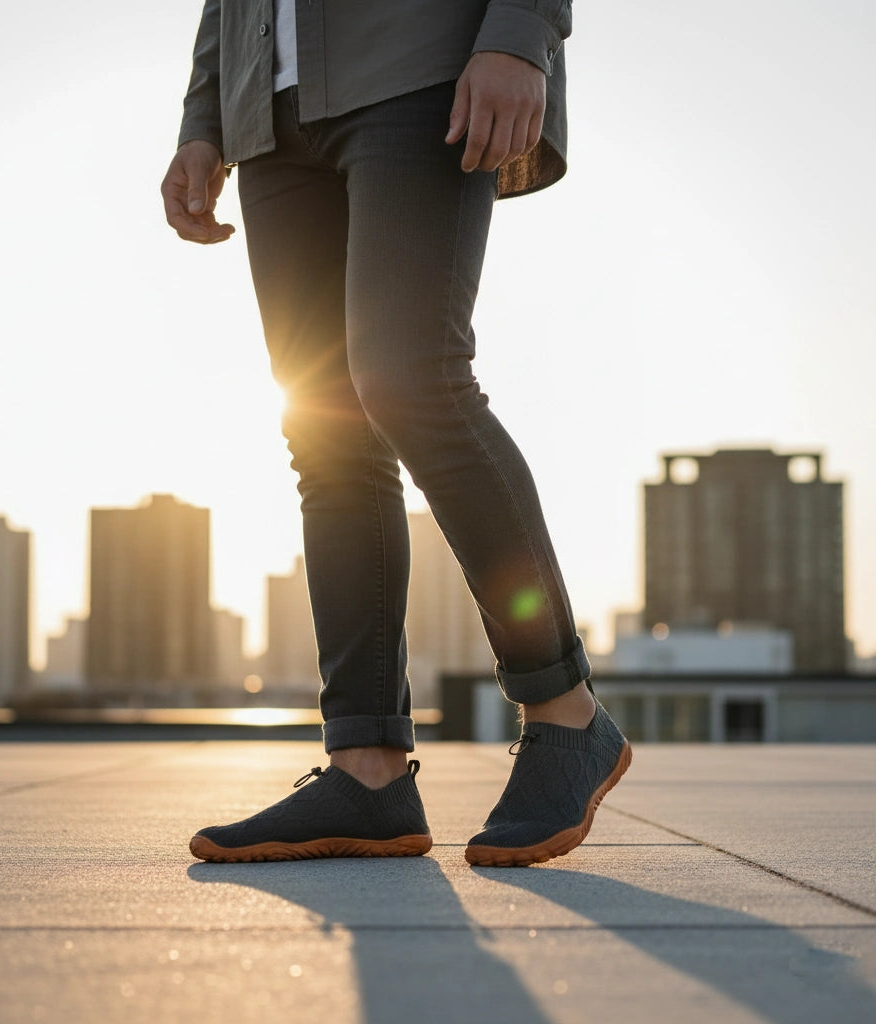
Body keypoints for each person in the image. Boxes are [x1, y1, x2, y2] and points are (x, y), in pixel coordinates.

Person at [161, 0, 630, 867]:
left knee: (414, 379)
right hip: (267, 109)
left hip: (418, 63)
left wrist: (519, 34)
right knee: (325, 427)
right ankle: (367, 768)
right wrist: (204, 118)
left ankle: (565, 709)